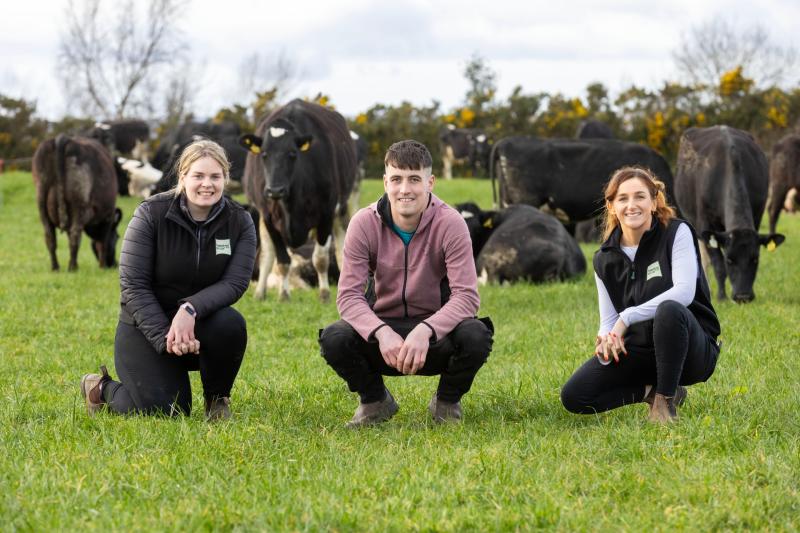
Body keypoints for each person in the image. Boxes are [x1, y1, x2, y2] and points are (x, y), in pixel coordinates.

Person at [319, 140, 494, 427]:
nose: (405, 189)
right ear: (385, 181)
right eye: (397, 179)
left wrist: (426, 330)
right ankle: (375, 401)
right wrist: (380, 332)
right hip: (383, 333)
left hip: (435, 335)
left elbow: (466, 297)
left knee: (476, 334)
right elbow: (348, 297)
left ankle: (447, 402)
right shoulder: (363, 223)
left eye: (415, 179)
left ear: (431, 182)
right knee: (334, 337)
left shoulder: (451, 223)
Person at [80, 139, 257, 421]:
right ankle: (101, 389)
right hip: (145, 326)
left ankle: (217, 402)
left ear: (226, 178)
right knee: (168, 411)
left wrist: (190, 310)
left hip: (200, 324)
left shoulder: (240, 221)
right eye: (198, 176)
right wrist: (167, 339)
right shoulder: (151, 214)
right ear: (183, 176)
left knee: (231, 324)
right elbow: (133, 286)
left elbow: (234, 283)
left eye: (215, 176)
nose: (206, 184)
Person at [561, 166, 721, 423]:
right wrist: (606, 339)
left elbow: (684, 292)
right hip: (642, 353)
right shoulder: (604, 258)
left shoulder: (677, 232)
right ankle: (651, 392)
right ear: (611, 206)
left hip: (690, 350)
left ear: (654, 202)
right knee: (575, 395)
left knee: (669, 309)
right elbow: (608, 319)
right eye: (622, 198)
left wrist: (628, 317)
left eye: (640, 196)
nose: (631, 205)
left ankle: (664, 404)